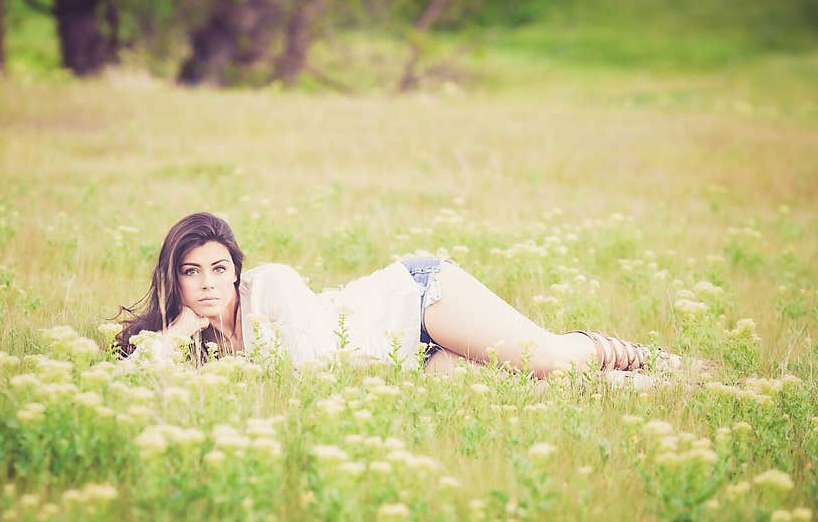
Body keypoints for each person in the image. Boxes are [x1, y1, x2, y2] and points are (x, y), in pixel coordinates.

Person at [114, 212, 683, 382]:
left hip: (418, 300)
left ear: (238, 273)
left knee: (546, 358)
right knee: (532, 390)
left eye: (219, 269)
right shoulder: (201, 340)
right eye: (192, 273)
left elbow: (311, 368)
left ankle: (645, 356)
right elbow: (134, 384)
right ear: (177, 279)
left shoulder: (274, 287)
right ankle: (666, 388)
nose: (209, 283)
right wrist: (183, 329)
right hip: (413, 361)